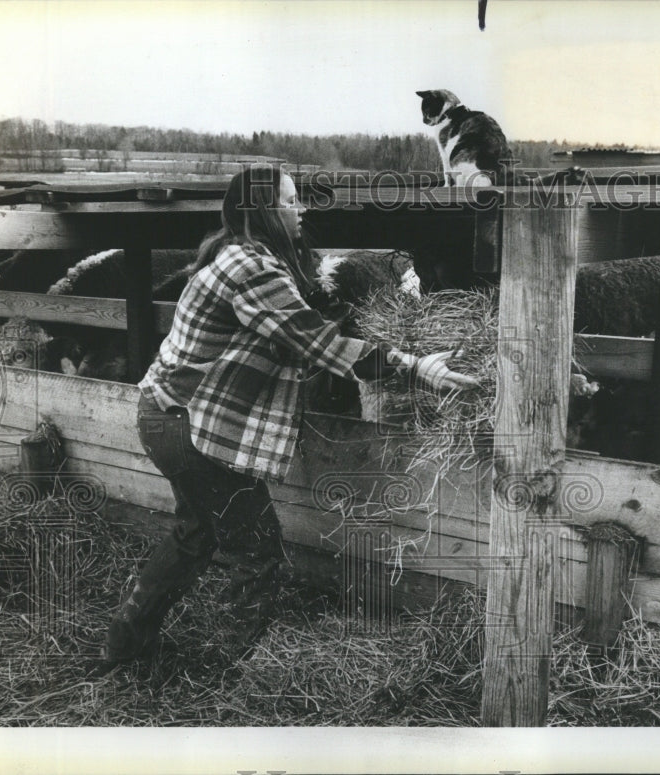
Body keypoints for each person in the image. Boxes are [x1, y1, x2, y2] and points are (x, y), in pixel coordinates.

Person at [99, 165, 476, 668]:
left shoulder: (238, 256)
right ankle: (228, 668)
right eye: (292, 200)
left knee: (195, 535)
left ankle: (124, 645)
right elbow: (317, 342)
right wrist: (415, 368)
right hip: (190, 427)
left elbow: (299, 323)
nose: (302, 209)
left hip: (166, 416)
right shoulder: (251, 269)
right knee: (261, 555)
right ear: (263, 211)